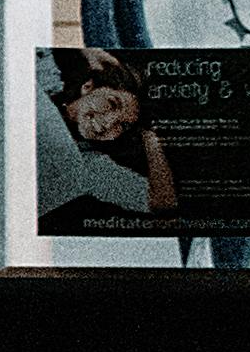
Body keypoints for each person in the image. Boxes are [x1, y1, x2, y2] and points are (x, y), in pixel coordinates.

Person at [38, 49, 177, 227]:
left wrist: (150, 137)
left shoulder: (90, 168)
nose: (109, 123)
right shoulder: (41, 82)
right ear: (88, 87)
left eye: (123, 126)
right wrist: (87, 51)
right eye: (112, 104)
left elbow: (162, 201)